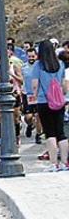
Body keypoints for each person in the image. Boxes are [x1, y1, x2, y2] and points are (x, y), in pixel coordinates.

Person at [30, 40, 68, 171]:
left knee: (50, 133)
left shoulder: (38, 65)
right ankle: (64, 162)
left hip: (44, 101)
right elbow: (64, 84)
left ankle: (53, 164)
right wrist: (62, 94)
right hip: (59, 101)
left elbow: (35, 84)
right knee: (61, 133)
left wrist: (34, 95)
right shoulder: (60, 64)